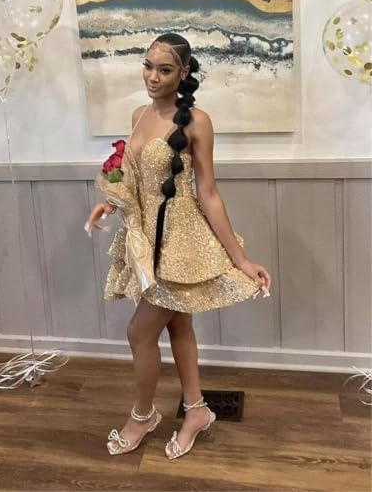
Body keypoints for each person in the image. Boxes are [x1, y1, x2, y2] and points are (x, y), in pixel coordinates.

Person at [86, 33, 272, 459]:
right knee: (178, 326)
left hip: (181, 241)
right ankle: (197, 410)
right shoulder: (139, 114)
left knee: (139, 332)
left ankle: (142, 415)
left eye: (165, 69)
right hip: (146, 237)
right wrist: (110, 202)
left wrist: (241, 259)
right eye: (148, 66)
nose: (153, 76)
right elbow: (133, 175)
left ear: (184, 73)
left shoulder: (196, 122)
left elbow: (208, 192)